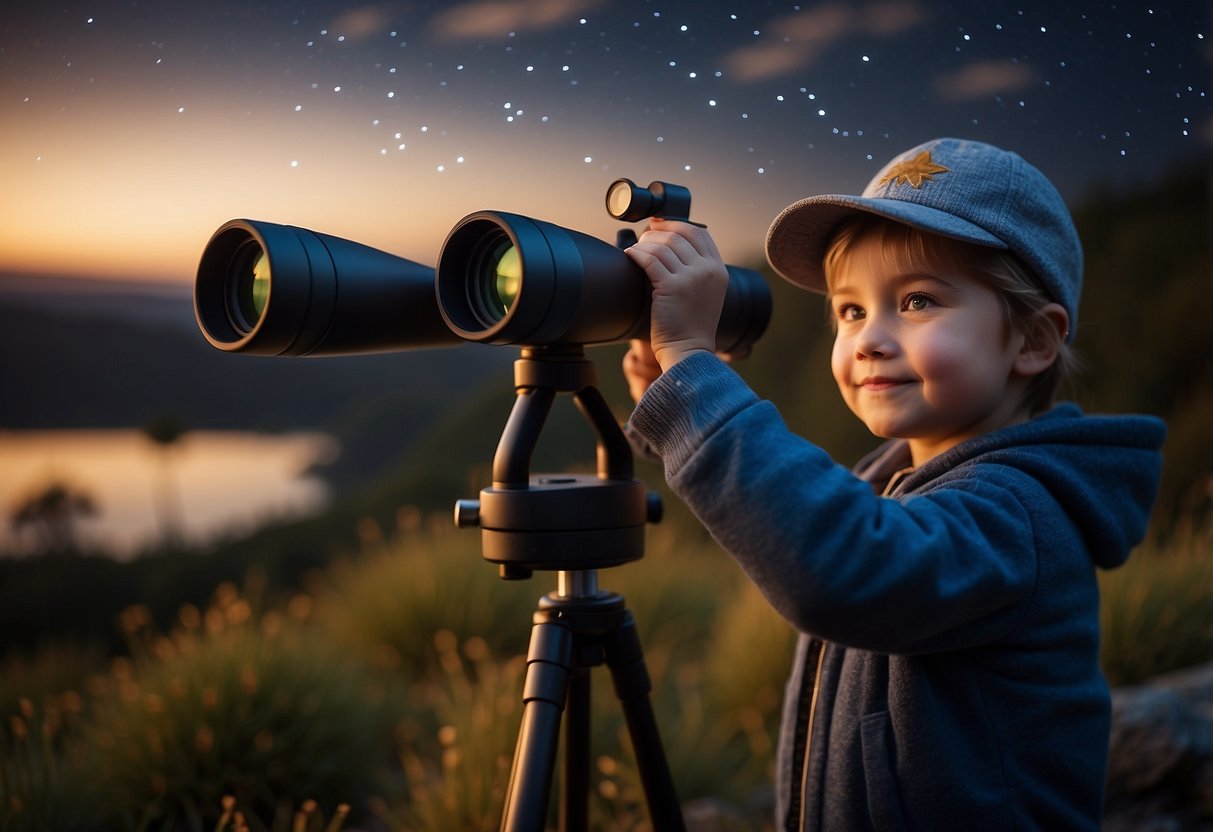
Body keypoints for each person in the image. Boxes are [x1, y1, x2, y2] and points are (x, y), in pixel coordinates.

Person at [621, 137, 1165, 831]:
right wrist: (671, 391)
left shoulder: (1021, 513)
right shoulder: (896, 485)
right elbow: (785, 522)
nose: (870, 337)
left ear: (1031, 340)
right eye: (850, 311)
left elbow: (842, 564)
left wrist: (696, 375)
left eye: (915, 301)